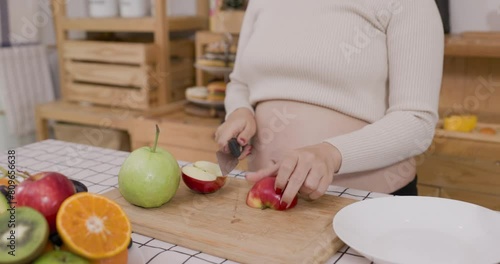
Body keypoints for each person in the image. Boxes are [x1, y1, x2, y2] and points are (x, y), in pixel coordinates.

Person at [215, 0, 445, 208]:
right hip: (266, 196)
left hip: (365, 204)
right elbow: (240, 82)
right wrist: (239, 110)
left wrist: (330, 154)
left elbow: (417, 121)